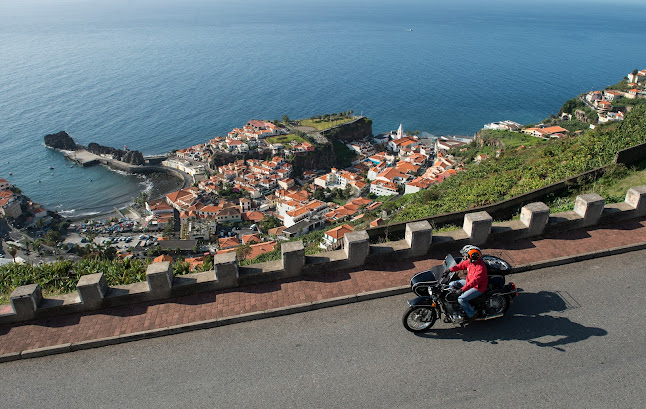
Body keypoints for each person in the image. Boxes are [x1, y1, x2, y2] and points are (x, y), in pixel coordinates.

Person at [447, 245, 488, 321]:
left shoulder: (480, 269)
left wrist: (462, 290)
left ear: (473, 258)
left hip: (477, 288)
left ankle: (472, 314)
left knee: (461, 299)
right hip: (468, 282)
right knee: (452, 284)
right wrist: (450, 270)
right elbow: (461, 265)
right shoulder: (470, 262)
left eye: (467, 256)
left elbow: (473, 282)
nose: (465, 257)